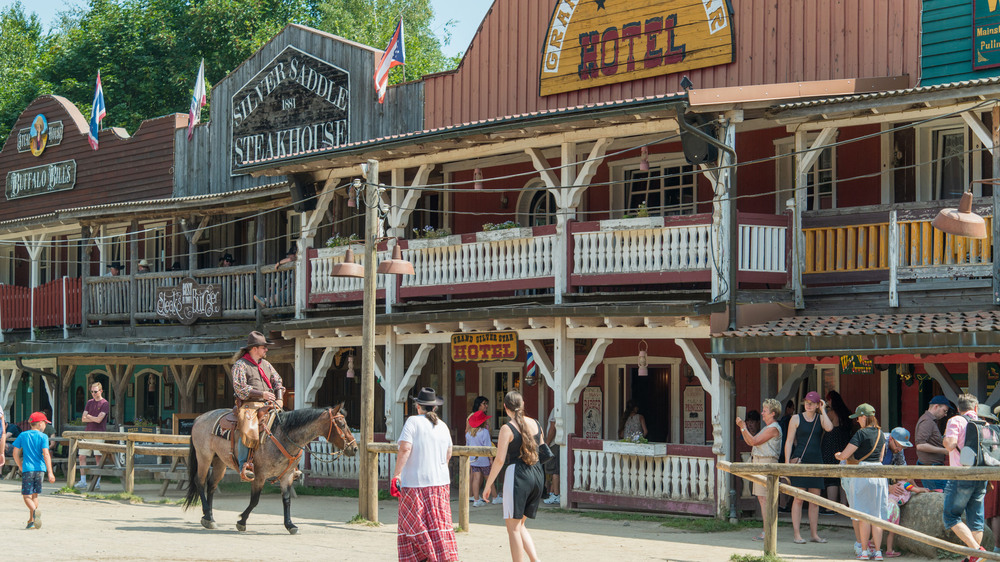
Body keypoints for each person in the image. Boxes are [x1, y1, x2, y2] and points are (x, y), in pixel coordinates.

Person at [391, 387, 458, 562]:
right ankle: (440, 556)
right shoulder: (442, 426)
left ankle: (426, 556)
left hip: (415, 484)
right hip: (440, 484)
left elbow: (405, 448)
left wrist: (397, 474)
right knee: (438, 525)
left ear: (418, 406)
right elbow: (448, 453)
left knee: (413, 526)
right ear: (434, 408)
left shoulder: (412, 422)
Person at [484, 391, 546, 562]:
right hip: (537, 474)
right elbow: (543, 451)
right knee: (519, 525)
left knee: (512, 529)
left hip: (518, 475)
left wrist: (488, 485)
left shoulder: (507, 428)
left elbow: (499, 460)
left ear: (505, 407)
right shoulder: (535, 423)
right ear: (523, 404)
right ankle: (535, 560)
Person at [835, 403, 888, 560]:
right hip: (878, 473)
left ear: (864, 417)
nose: (857, 420)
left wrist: (838, 455)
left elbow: (845, 455)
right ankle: (878, 552)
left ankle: (864, 551)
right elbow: (880, 457)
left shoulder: (860, 434)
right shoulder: (881, 434)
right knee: (877, 515)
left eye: (858, 417)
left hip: (862, 473)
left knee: (863, 514)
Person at [231, 331, 284, 481]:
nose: (266, 350)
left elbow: (278, 382)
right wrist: (262, 394)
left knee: (287, 423)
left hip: (270, 404)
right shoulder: (240, 365)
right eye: (264, 347)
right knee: (248, 427)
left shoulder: (266, 364)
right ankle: (245, 465)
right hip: (250, 405)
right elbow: (240, 388)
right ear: (254, 348)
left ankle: (287, 463)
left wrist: (279, 399)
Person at [942, 393, 989, 561]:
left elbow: (951, 444)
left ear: (959, 408)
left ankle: (977, 551)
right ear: (975, 408)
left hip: (960, 475)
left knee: (950, 516)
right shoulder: (985, 424)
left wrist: (945, 441)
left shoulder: (955, 421)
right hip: (981, 476)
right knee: (975, 520)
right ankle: (973, 558)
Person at [783, 390, 833, 544]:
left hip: (816, 460)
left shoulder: (820, 418)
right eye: (806, 402)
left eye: (812, 403)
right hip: (800, 461)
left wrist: (823, 410)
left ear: (818, 404)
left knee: (815, 500)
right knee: (798, 499)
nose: (808, 405)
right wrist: (786, 464)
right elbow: (789, 441)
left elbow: (829, 428)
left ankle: (814, 534)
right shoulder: (796, 418)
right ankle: (797, 534)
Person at [736, 398, 782, 542]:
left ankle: (767, 532)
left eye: (765, 411)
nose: (762, 413)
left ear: (773, 413)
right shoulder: (768, 428)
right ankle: (766, 530)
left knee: (765, 499)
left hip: (766, 464)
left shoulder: (773, 428)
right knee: (763, 499)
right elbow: (752, 441)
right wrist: (743, 428)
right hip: (761, 464)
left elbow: (753, 441)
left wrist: (743, 427)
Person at [13, 411, 55, 529]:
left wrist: (20, 466)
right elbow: (46, 454)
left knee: (26, 496)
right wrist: (50, 472)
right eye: (45, 423)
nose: (45, 426)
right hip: (40, 469)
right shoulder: (44, 436)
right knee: (35, 495)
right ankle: (31, 520)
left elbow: (15, 453)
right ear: (40, 423)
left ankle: (34, 511)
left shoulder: (23, 435)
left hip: (28, 469)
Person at [881, 427, 914, 558]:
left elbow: (903, 470)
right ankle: (861, 545)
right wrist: (888, 488)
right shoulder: (880, 442)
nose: (900, 450)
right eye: (899, 446)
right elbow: (869, 469)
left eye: (903, 447)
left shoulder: (898, 449)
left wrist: (913, 486)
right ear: (891, 439)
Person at [821, 391, 852, 511]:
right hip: (844, 444)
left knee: (831, 476)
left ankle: (831, 507)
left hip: (831, 445)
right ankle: (844, 505)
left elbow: (824, 426)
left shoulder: (831, 413)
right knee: (843, 476)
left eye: (828, 400)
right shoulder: (847, 413)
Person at [76, 381, 109, 490]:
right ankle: (83, 480)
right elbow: (83, 419)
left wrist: (89, 417)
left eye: (95, 391)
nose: (94, 394)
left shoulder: (105, 403)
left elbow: (99, 420)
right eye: (92, 392)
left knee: (98, 457)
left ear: (101, 391)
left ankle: (97, 481)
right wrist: (92, 418)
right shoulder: (89, 402)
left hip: (99, 433)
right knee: (82, 456)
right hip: (88, 432)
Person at [915, 395, 951, 491]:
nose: (945, 414)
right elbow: (920, 445)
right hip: (931, 468)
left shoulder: (929, 420)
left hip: (932, 467)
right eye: (944, 410)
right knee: (940, 500)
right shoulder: (927, 421)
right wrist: (944, 451)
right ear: (936, 406)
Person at [466, 409, 492, 507]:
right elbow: (488, 446)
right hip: (483, 459)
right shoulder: (484, 432)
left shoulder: (468, 433)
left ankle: (476, 499)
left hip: (473, 459)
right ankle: (492, 496)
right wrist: (491, 459)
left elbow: (467, 446)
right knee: (488, 478)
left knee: (476, 479)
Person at [542, 407, 561, 505]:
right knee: (557, 470)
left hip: (554, 443)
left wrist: (547, 443)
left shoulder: (557, 408)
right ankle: (552, 493)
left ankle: (556, 494)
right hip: (562, 442)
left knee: (554, 470)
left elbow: (553, 427)